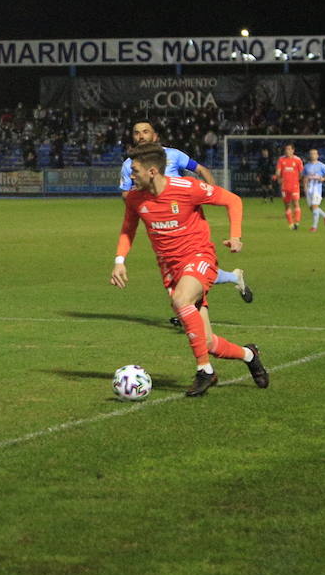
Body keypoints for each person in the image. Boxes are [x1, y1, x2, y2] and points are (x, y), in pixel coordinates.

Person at [110, 144, 269, 397]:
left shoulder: (186, 188)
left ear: (152, 171)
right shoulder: (135, 198)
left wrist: (235, 236)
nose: (130, 176)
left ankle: (204, 371)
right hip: (170, 269)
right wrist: (120, 260)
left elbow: (232, 200)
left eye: (135, 171)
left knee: (181, 299)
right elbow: (128, 229)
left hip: (199, 256)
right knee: (206, 343)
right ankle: (250, 355)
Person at [118, 119, 253, 313]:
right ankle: (228, 281)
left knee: (191, 269)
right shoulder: (128, 165)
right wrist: (144, 209)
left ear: (155, 136)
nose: (141, 136)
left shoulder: (174, 155)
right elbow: (126, 193)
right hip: (160, 222)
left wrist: (212, 192)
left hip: (185, 215)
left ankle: (189, 309)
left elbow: (200, 169)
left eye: (146, 132)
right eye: (136, 133)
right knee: (180, 269)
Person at [276, 143, 305, 230]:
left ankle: (297, 222)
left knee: (296, 203)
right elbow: (278, 171)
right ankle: (291, 224)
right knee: (287, 205)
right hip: (285, 186)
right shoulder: (281, 159)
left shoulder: (297, 160)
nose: (287, 151)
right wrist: (278, 177)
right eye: (286, 149)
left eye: (289, 149)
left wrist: (296, 180)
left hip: (294, 186)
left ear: (293, 150)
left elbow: (301, 173)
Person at [303, 148, 325, 232]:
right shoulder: (306, 166)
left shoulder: (321, 165)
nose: (312, 155)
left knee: (315, 207)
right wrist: (304, 186)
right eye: (311, 154)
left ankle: (314, 227)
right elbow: (304, 177)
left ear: (317, 155)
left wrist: (323, 179)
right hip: (309, 189)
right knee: (312, 208)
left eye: (314, 154)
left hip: (317, 189)